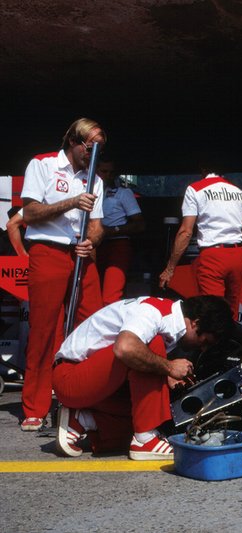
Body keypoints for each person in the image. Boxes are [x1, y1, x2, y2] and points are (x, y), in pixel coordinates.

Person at [52, 295, 233, 459]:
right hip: (70, 378)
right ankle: (145, 440)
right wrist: (168, 367)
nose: (202, 349)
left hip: (92, 384)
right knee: (150, 346)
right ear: (196, 323)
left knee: (157, 419)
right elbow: (126, 348)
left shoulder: (165, 317)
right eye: (205, 342)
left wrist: (164, 376)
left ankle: (81, 420)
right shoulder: (153, 311)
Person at [19, 118, 106, 432]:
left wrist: (91, 241)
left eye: (100, 147)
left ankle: (85, 397)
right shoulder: (42, 165)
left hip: (80, 255)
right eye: (90, 146)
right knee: (44, 329)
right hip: (48, 250)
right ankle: (35, 405)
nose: (94, 152)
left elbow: (97, 226)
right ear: (74, 141)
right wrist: (71, 201)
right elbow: (29, 213)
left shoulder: (94, 179)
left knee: (93, 324)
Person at [159, 170, 242, 319]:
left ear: (202, 169)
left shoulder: (195, 189)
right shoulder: (241, 193)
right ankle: (229, 341)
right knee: (230, 312)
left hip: (213, 255)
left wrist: (170, 269)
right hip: (237, 255)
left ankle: (216, 342)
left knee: (211, 314)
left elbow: (186, 232)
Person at [96, 156, 145, 305]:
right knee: (89, 296)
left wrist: (112, 230)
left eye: (112, 172)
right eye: (104, 171)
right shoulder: (83, 191)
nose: (108, 176)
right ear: (94, 170)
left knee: (110, 297)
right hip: (91, 245)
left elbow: (140, 224)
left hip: (117, 245)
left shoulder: (123, 193)